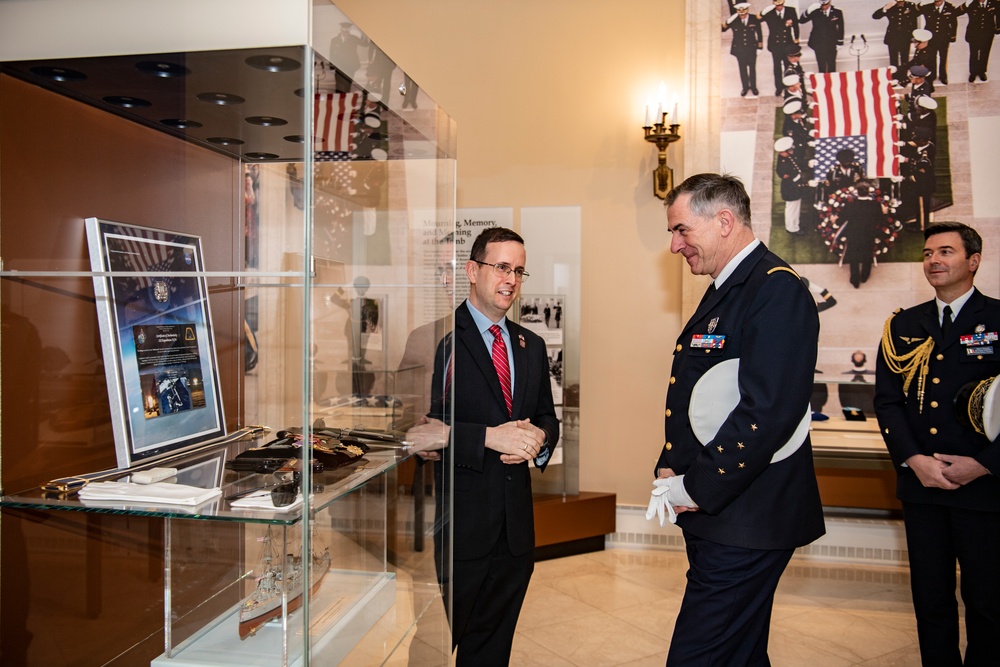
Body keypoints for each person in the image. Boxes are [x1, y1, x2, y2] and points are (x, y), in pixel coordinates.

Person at [647, 173, 825, 665]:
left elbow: (765, 412)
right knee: (740, 653)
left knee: (698, 655)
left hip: (749, 515)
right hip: (727, 513)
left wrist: (696, 486)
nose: (675, 246)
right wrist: (672, 467)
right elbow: (706, 397)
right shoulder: (731, 286)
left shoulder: (775, 290)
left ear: (724, 221)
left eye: (681, 230)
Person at [420, 226, 559, 665]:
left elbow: (546, 419)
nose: (511, 279)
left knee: (491, 651)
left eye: (519, 271)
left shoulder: (531, 345)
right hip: (458, 531)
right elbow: (417, 431)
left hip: (514, 535)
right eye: (502, 267)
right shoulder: (437, 340)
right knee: (437, 647)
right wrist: (487, 437)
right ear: (472, 270)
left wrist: (538, 442)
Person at [874, 221, 1000, 666]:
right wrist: (914, 460)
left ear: (973, 261)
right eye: (928, 253)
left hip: (985, 488)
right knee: (930, 599)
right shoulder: (904, 325)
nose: (934, 261)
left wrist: (984, 464)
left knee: (987, 602)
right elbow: (887, 403)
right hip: (922, 486)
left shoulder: (998, 320)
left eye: (945, 252)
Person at [833, 180, 883, 288]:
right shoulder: (875, 205)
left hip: (853, 235)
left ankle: (855, 279)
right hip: (869, 234)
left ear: (857, 192)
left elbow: (841, 219)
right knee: (867, 254)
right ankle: (865, 275)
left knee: (854, 256)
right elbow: (881, 220)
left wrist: (835, 220)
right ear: (868, 192)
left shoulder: (850, 205)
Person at [758, 0, 800, 96]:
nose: (779, 7)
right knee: (777, 67)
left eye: (781, 5)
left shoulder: (791, 11)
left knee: (787, 66)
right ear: (774, 4)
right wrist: (763, 12)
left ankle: (788, 85)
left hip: (787, 44)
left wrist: (796, 40)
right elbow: (758, 19)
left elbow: (796, 26)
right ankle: (778, 87)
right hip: (775, 45)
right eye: (777, 5)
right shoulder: (769, 13)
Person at [873, 0, 920, 84]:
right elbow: (875, 16)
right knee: (893, 59)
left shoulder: (911, 5)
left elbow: (914, 21)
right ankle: (894, 78)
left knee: (904, 59)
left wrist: (914, 36)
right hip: (892, 37)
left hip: (905, 37)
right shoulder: (891, 6)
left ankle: (903, 78)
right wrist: (885, 8)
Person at [723, 3, 763, 96]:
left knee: (752, 69)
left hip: (751, 48)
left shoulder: (754, 19)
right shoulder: (734, 20)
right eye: (740, 15)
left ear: (747, 11)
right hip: (739, 49)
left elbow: (759, 33)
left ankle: (753, 87)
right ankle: (745, 87)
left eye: (744, 14)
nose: (742, 16)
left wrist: (759, 47)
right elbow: (722, 29)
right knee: (742, 69)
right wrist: (728, 21)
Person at [957, 0, 1000, 82]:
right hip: (974, 34)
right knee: (974, 53)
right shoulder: (971, 3)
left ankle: (982, 71)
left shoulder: (994, 3)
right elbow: (956, 13)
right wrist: (965, 4)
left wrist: (998, 30)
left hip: (988, 33)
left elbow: (998, 15)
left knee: (985, 53)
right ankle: (973, 72)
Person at [920, 0, 960, 85]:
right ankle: (933, 75)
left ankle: (943, 76)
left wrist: (953, 38)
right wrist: (920, 3)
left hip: (944, 38)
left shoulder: (950, 8)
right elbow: (915, 12)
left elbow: (954, 23)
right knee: (931, 57)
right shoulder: (927, 7)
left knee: (943, 58)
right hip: (931, 39)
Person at [774, 136, 808, 234]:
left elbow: (796, 164)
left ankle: (794, 225)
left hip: (793, 188)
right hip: (790, 189)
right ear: (783, 152)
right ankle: (792, 228)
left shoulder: (787, 157)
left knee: (794, 208)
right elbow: (790, 176)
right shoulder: (783, 164)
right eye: (789, 150)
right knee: (792, 209)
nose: (792, 150)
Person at [800, 0, 845, 73]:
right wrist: (808, 11)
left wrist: (840, 42)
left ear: (830, 2)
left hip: (832, 43)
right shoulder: (815, 12)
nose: (824, 7)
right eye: (822, 5)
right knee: (821, 66)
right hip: (818, 43)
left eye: (826, 4)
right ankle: (822, 83)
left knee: (831, 65)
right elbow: (801, 21)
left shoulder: (837, 12)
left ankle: (832, 83)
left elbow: (841, 28)